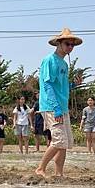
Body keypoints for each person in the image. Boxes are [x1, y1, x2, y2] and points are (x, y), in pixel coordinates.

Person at [35, 27, 83, 178]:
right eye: (68, 44)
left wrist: (73, 85)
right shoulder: (49, 60)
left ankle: (59, 173)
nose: (70, 47)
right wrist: (55, 108)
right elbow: (47, 84)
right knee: (59, 140)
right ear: (59, 43)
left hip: (62, 107)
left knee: (65, 143)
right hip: (52, 106)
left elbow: (60, 86)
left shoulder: (64, 64)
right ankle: (40, 168)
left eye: (72, 45)